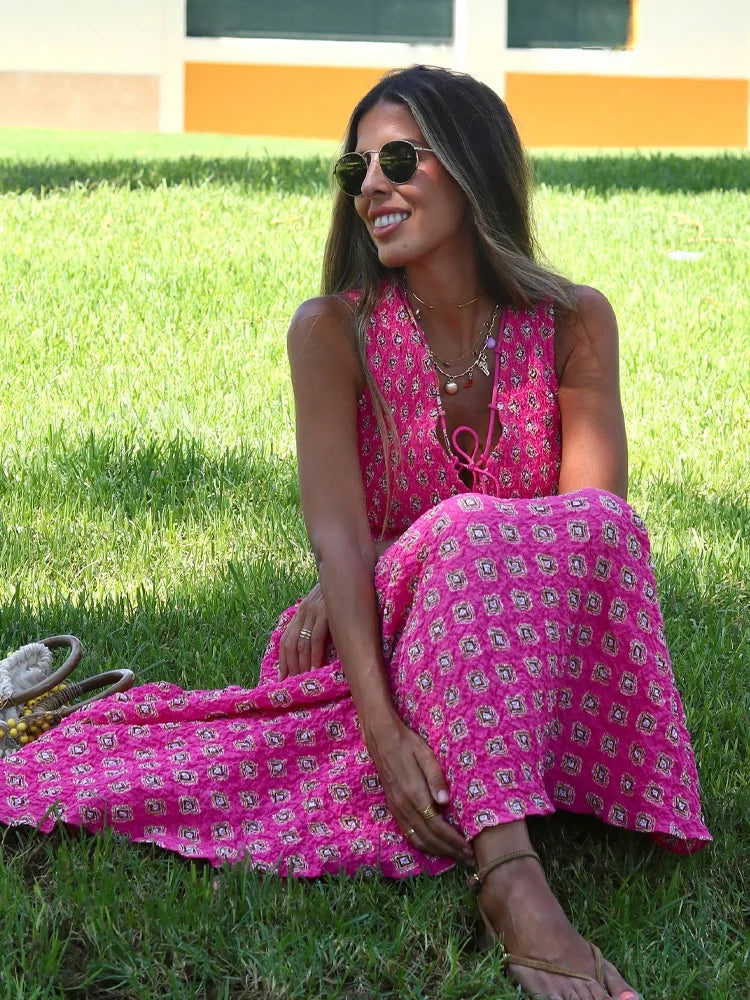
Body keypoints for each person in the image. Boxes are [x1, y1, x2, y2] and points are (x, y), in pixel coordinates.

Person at [0, 66, 709, 1000]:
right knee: (166, 770)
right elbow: (336, 543)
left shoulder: (575, 320)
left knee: (584, 526)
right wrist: (382, 731)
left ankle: (501, 804)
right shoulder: (331, 330)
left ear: (473, 167)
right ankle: (513, 883)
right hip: (386, 649)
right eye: (357, 167)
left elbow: (587, 538)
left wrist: (405, 548)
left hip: (537, 665)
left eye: (401, 159)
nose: (372, 184)